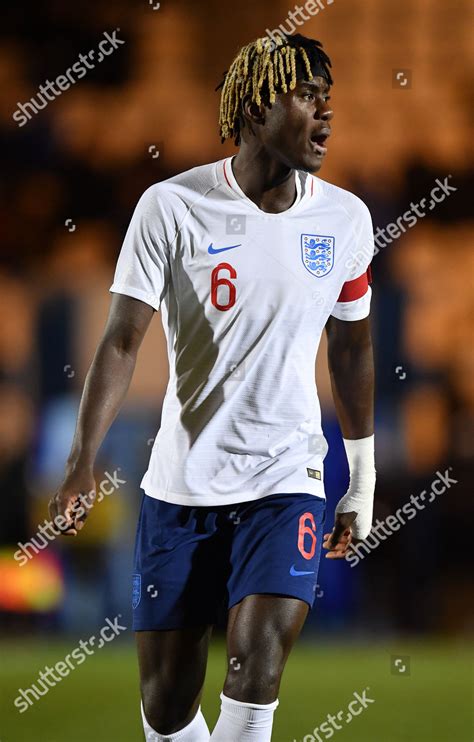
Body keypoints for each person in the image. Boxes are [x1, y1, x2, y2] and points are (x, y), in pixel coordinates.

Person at [49, 33, 376, 742]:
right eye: (306, 98)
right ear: (256, 110)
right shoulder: (170, 207)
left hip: (287, 480)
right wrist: (80, 466)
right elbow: (121, 340)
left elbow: (352, 347)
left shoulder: (345, 218)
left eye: (330, 100)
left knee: (254, 673)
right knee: (167, 709)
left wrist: (362, 480)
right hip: (182, 486)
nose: (326, 116)